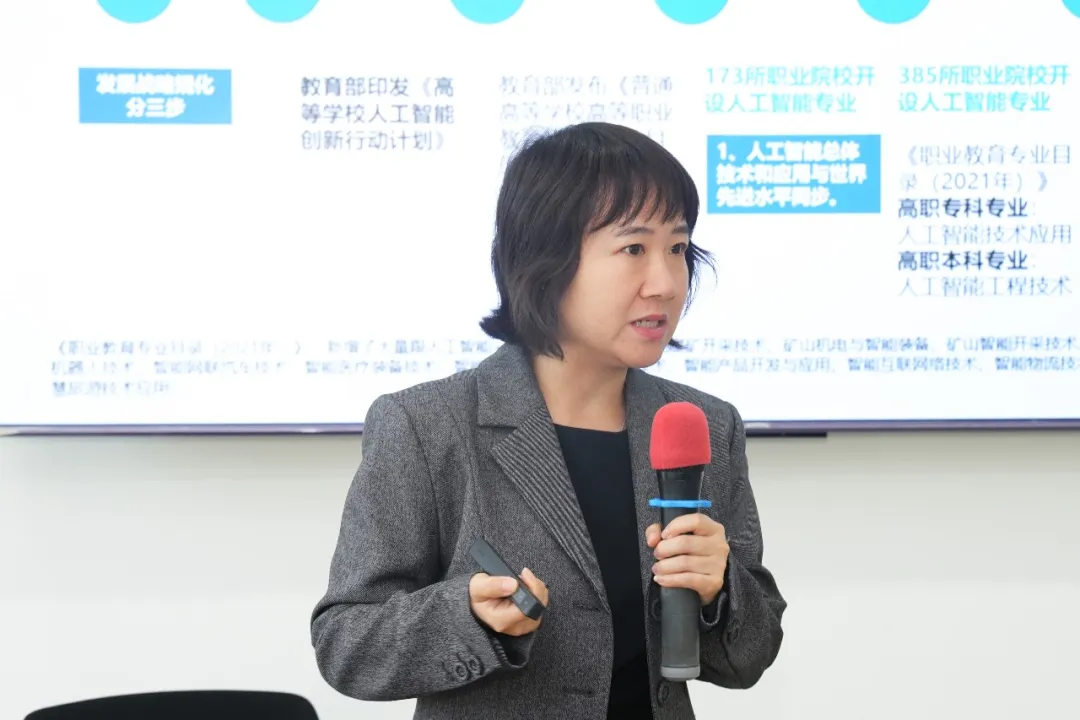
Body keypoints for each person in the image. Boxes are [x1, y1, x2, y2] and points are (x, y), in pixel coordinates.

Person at [310, 122, 786, 719]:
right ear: (546, 261)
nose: (665, 284)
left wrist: (719, 589)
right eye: (633, 249)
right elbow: (347, 643)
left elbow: (749, 657)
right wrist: (468, 616)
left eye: (678, 249)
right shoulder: (427, 426)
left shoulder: (704, 426)